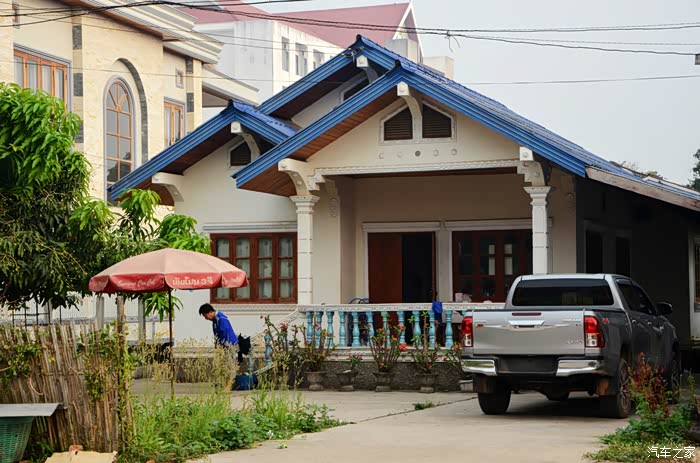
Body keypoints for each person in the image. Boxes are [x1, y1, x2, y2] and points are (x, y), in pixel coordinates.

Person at [199, 303, 238, 388]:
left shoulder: (221, 318)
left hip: (229, 345)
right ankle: (224, 382)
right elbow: (217, 335)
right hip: (222, 346)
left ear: (210, 312)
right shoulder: (215, 320)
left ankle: (229, 385)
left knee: (230, 364)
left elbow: (225, 333)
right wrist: (217, 345)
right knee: (223, 365)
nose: (206, 318)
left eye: (206, 316)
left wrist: (223, 345)